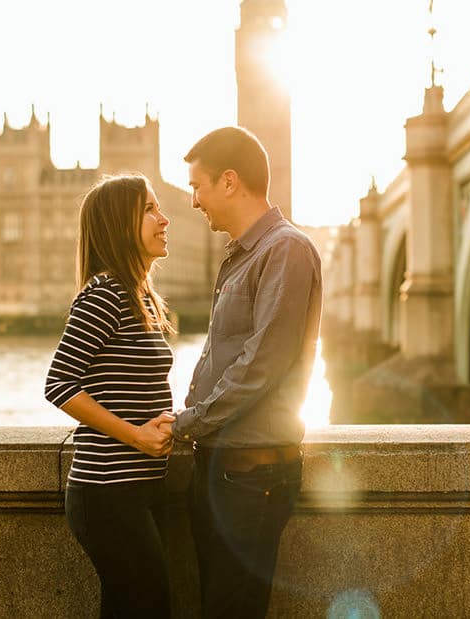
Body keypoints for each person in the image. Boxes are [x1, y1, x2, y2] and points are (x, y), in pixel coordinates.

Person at [171, 126, 324, 618]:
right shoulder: (242, 254)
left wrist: (189, 420)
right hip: (223, 465)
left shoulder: (285, 250)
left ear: (230, 181)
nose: (194, 200)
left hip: (251, 472)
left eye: (198, 185)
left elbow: (262, 364)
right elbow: (224, 354)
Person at [44, 172, 177, 618]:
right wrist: (137, 437)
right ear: (120, 224)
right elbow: (59, 384)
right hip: (106, 491)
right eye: (149, 209)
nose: (165, 219)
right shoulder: (105, 293)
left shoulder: (141, 296)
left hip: (137, 488)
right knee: (149, 604)